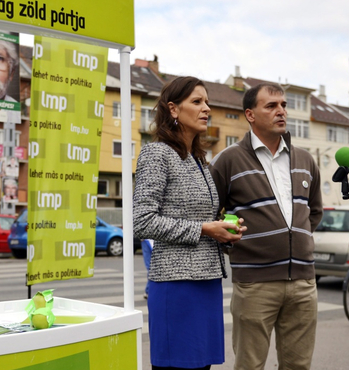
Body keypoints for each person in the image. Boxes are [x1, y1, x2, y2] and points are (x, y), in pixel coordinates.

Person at [133, 76, 245, 370]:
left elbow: (198, 218)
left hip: (206, 283)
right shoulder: (157, 153)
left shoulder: (199, 160)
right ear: (173, 109)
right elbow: (142, 221)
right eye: (197, 102)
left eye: (207, 102)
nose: (206, 108)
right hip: (176, 285)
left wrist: (222, 231)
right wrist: (205, 229)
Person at [209, 82, 323, 370]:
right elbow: (209, 214)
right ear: (250, 114)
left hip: (303, 282)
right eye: (271, 106)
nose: (281, 111)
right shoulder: (228, 160)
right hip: (255, 283)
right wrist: (230, 242)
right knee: (250, 365)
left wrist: (298, 241)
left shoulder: (305, 160)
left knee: (298, 365)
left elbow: (314, 212)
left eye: (283, 105)